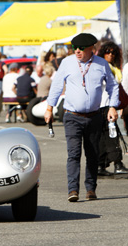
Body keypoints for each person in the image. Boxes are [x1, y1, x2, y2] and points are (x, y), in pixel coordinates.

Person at [44, 33, 119, 202]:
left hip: (94, 116)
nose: (77, 51)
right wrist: (49, 107)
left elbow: (113, 86)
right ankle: (73, 190)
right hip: (72, 116)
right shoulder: (67, 62)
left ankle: (91, 188)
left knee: (92, 154)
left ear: (91, 48)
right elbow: (56, 86)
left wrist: (113, 106)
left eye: (81, 48)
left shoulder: (101, 64)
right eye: (74, 48)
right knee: (74, 154)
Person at [97, 41, 128, 176]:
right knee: (111, 135)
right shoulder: (103, 67)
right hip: (104, 105)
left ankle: (101, 165)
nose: (111, 55)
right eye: (108, 52)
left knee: (105, 136)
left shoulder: (113, 68)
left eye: (113, 52)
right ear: (103, 53)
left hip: (109, 105)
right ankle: (117, 164)